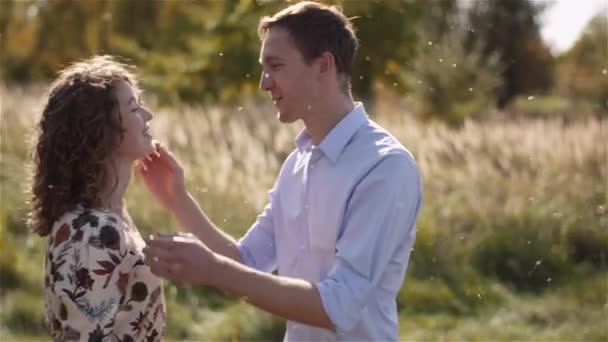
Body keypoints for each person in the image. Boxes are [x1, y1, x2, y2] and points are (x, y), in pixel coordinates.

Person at [141, 1, 422, 340]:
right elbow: (246, 262)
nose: (263, 83)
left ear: (323, 66)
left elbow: (339, 305)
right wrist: (178, 199)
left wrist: (216, 271)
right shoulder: (297, 163)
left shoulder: (385, 167)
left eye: (275, 66)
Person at [28, 55, 166, 341]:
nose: (147, 116)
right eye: (134, 107)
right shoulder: (93, 232)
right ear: (102, 130)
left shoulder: (111, 215)